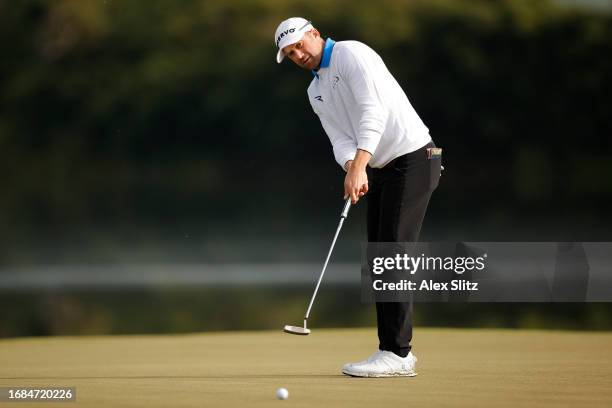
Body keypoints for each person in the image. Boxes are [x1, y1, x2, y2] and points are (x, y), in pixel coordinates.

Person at [275, 17, 441, 377]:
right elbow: (339, 138)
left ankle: (397, 354)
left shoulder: (351, 54)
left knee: (393, 254)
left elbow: (373, 111)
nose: (298, 55)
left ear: (315, 35)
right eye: (290, 54)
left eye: (300, 45)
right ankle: (392, 351)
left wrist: (358, 166)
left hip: (413, 158)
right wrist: (353, 163)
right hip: (379, 167)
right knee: (380, 257)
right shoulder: (314, 90)